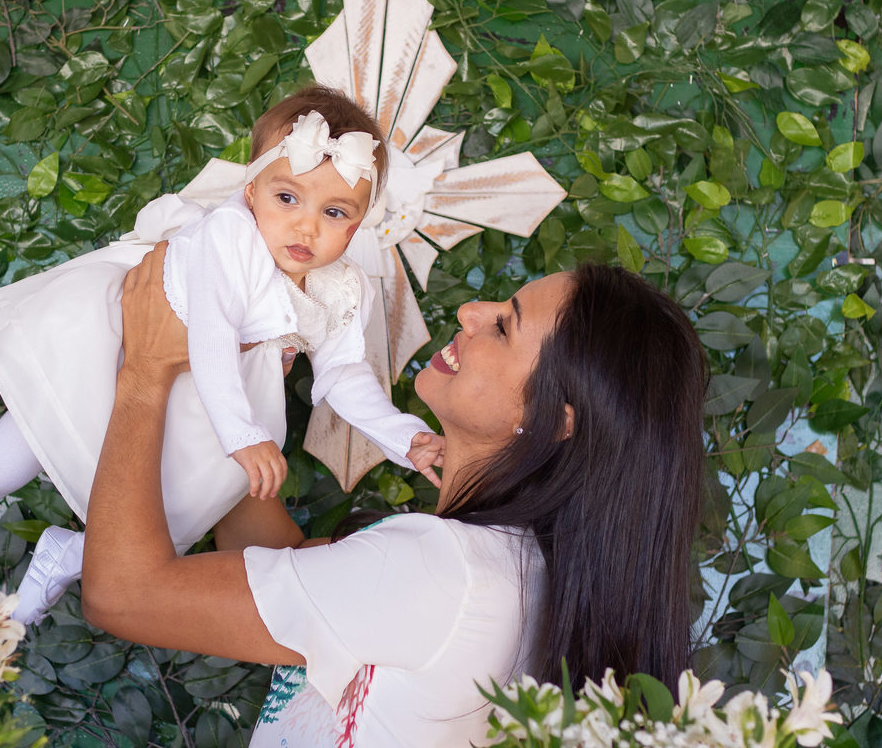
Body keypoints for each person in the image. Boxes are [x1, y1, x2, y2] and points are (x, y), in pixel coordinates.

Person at [82, 246, 708, 746]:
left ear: (553, 420)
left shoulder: (441, 570)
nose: (470, 312)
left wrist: (145, 375)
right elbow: (287, 577)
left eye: (503, 326)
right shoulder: (514, 571)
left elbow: (123, 595)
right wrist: (236, 393)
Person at [0, 86, 444, 624]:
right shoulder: (231, 235)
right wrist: (242, 433)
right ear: (251, 190)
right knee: (11, 456)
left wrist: (401, 435)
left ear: (359, 224)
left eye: (335, 213)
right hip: (116, 352)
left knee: (170, 517)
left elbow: (344, 372)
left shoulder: (343, 288)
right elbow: (212, 331)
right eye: (287, 197)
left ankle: (67, 556)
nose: (306, 226)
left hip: (209, 403)